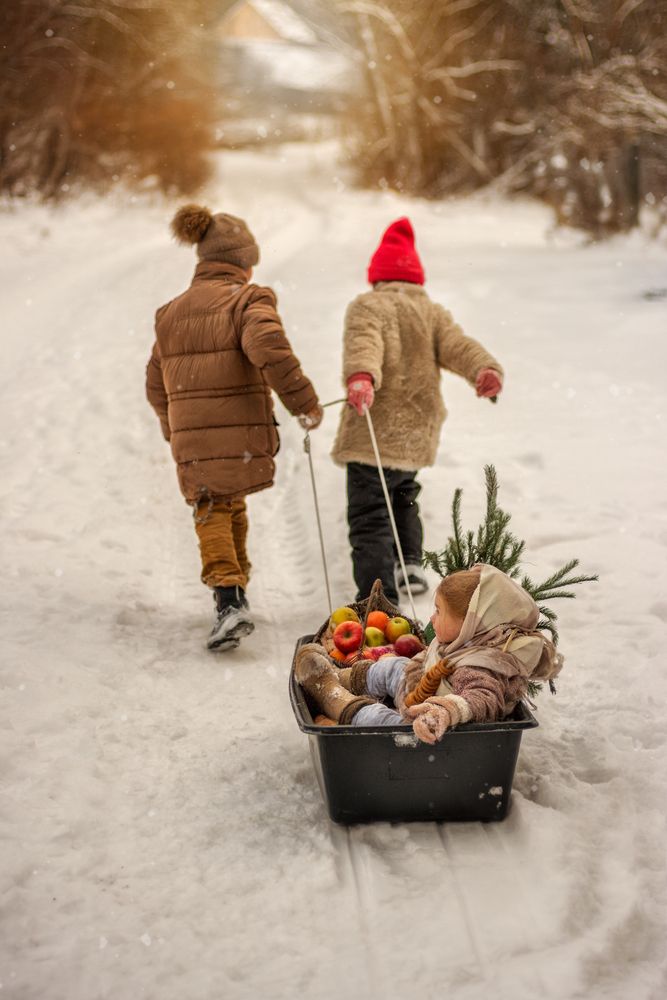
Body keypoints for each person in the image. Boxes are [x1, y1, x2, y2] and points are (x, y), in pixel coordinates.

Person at [146, 204, 323, 652]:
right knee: (227, 503)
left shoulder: (169, 313)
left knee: (215, 504)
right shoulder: (248, 300)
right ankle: (230, 600)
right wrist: (303, 402)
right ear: (243, 263)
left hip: (192, 433)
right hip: (239, 430)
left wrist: (176, 430)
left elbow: (153, 383)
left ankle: (232, 597)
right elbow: (269, 349)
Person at [331, 217, 504, 605]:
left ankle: (378, 596)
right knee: (404, 494)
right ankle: (409, 561)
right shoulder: (433, 313)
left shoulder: (368, 305)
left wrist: (362, 376)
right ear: (416, 277)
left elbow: (365, 343)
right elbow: (459, 345)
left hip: (372, 429)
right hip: (415, 430)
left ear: (377, 276)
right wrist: (483, 368)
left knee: (370, 513)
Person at [295, 564, 562, 744]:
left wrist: (442, 712)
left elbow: (482, 698)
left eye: (439, 612)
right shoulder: (464, 640)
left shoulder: (483, 664)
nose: (431, 618)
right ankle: (342, 678)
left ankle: (333, 696)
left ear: (469, 623)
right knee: (396, 665)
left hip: (431, 730)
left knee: (380, 720)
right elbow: (433, 662)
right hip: (419, 693)